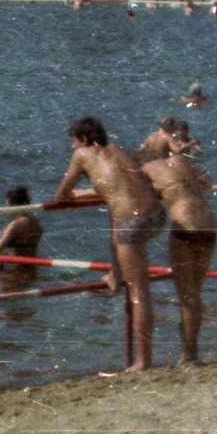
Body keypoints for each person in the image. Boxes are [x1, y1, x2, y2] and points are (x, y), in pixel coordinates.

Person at [53, 116, 165, 372]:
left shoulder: (81, 154)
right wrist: (85, 194)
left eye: (73, 141)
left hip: (132, 224)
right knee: (115, 214)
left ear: (82, 139)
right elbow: (119, 186)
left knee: (139, 293)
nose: (72, 147)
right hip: (156, 216)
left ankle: (143, 361)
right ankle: (115, 272)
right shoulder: (116, 149)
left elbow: (60, 196)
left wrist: (72, 196)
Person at [141, 151, 216, 364]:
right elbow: (207, 183)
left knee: (187, 296)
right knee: (195, 293)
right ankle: (190, 350)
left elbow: (133, 191)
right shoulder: (183, 160)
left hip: (185, 227)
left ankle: (189, 354)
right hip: (209, 225)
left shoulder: (148, 168)